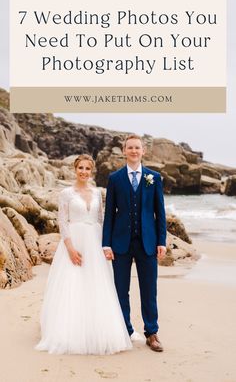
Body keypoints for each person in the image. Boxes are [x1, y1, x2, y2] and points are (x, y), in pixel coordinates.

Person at [36, 154, 132, 355]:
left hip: (95, 242)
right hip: (74, 242)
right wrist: (70, 248)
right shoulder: (66, 193)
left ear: (92, 171)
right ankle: (70, 330)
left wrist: (107, 246)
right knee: (73, 283)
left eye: (88, 169)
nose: (84, 172)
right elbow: (62, 222)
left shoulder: (97, 192)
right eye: (81, 168)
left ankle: (97, 328)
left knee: (96, 283)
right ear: (75, 169)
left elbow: (102, 219)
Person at [102, 135, 167, 352]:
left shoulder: (154, 177)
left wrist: (162, 241)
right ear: (124, 151)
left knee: (149, 289)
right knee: (121, 290)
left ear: (143, 151)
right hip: (120, 243)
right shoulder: (115, 178)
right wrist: (106, 243)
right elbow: (109, 214)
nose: (134, 151)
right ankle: (125, 329)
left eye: (137, 148)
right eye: (130, 147)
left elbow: (160, 213)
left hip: (148, 243)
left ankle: (152, 332)